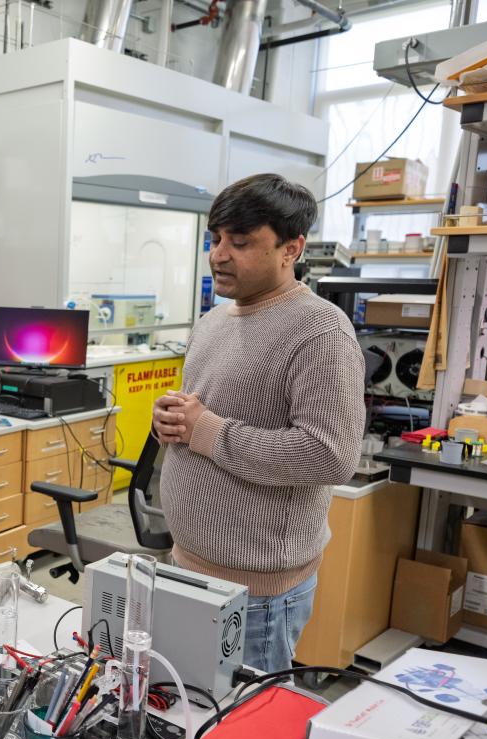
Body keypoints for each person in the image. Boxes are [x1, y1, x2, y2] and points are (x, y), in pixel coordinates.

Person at [152, 173, 365, 674]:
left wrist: (206, 430)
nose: (219, 255)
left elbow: (330, 456)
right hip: (189, 565)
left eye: (240, 242)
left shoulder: (320, 332)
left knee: (244, 735)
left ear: (292, 248)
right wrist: (173, 421)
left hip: (259, 594)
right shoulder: (215, 320)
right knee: (186, 716)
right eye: (216, 239)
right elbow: (208, 413)